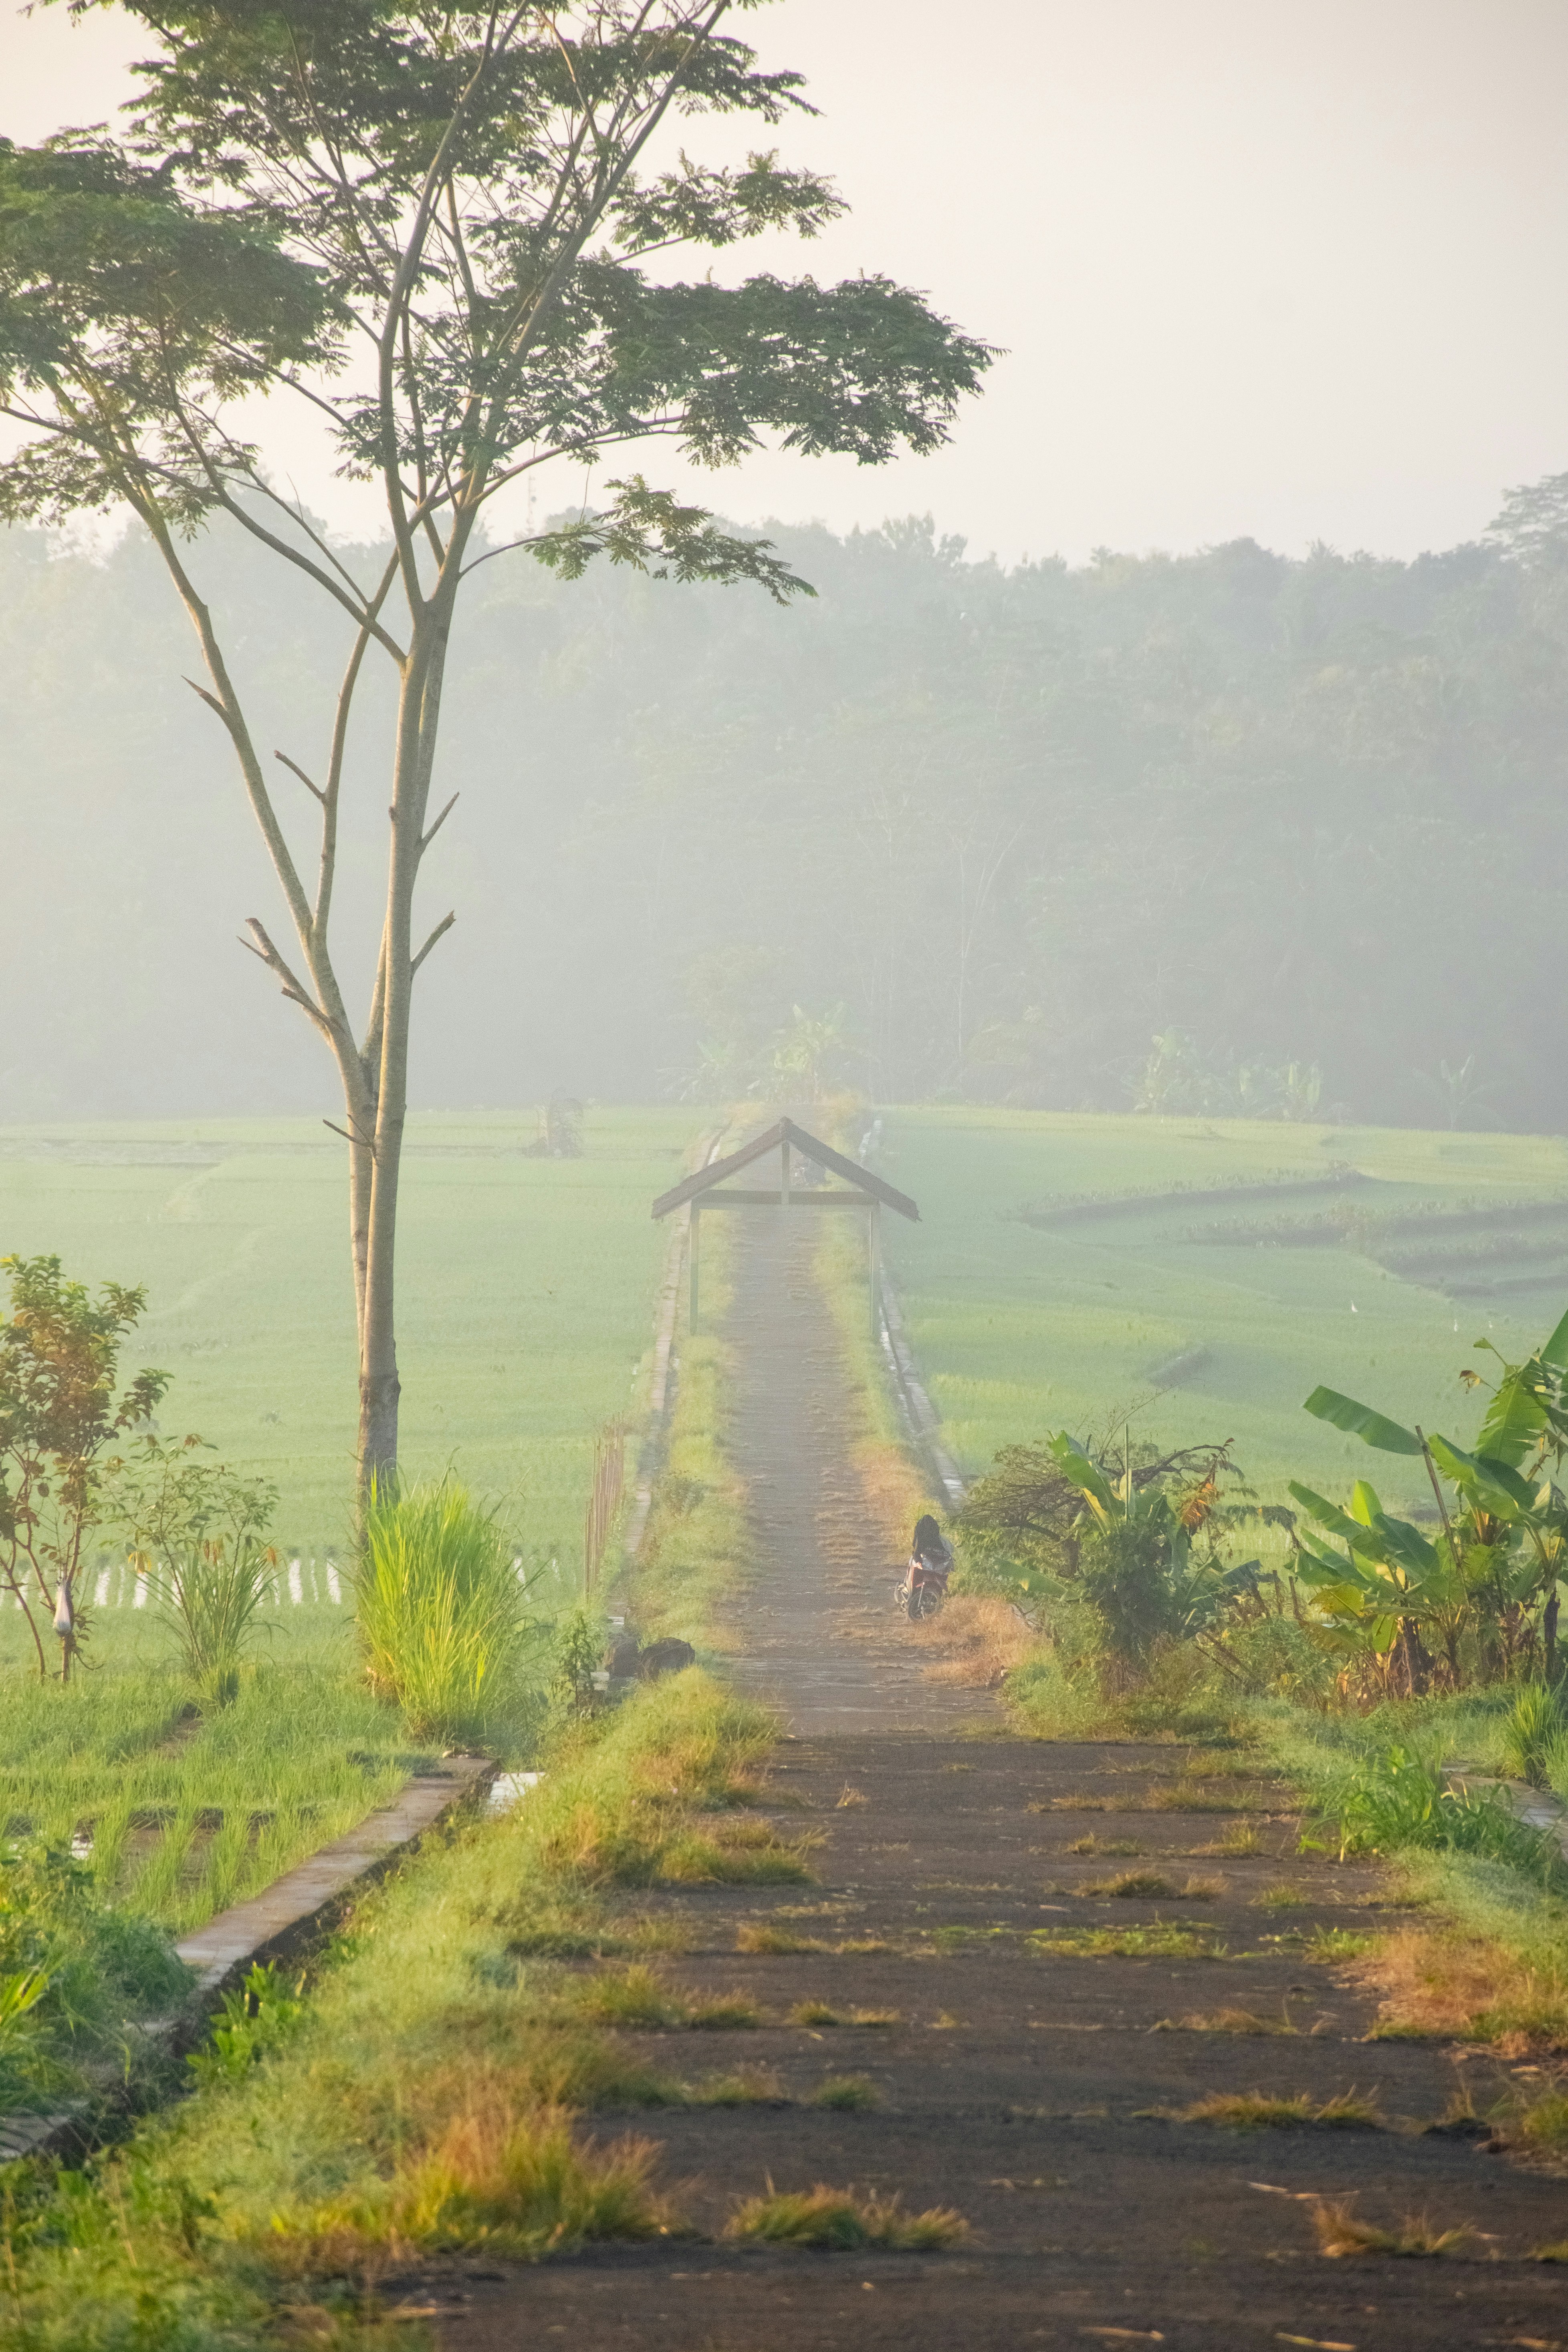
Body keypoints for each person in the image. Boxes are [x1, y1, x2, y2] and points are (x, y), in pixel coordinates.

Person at [910, 1513, 953, 1586]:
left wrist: (917, 1559)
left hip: (931, 1565)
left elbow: (916, 1549)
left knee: (914, 1564)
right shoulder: (940, 1539)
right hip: (936, 1566)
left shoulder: (921, 1536)